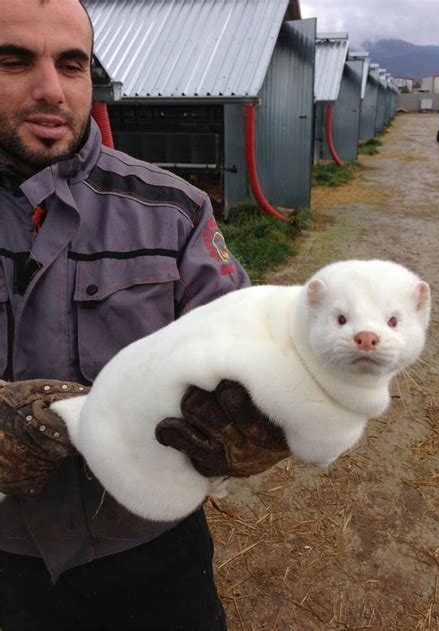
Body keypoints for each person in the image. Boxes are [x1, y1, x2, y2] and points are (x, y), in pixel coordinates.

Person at [0, 1, 290, 630]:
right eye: (13, 61)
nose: (50, 89)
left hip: (149, 551)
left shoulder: (174, 212)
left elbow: (256, 354)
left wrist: (267, 421)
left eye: (71, 65)